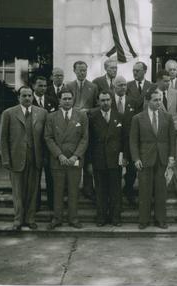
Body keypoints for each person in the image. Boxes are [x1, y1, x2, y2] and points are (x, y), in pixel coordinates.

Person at [0, 86, 47, 230]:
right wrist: (6, 159)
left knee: (33, 190)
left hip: (35, 158)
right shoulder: (8, 113)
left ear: (33, 97)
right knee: (18, 191)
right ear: (18, 97)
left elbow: (45, 137)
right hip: (16, 158)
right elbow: (3, 138)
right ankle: (18, 219)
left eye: (29, 96)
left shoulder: (42, 113)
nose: (27, 98)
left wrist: (44, 158)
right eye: (24, 96)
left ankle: (30, 218)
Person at [130, 85, 176, 229]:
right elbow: (133, 141)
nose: (158, 102)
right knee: (144, 190)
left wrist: (171, 157)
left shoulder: (167, 117)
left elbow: (172, 139)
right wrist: (136, 158)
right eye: (155, 100)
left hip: (162, 158)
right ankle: (143, 220)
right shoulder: (138, 118)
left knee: (161, 190)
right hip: (145, 158)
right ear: (148, 100)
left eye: (160, 100)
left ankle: (160, 219)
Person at [44, 89, 89, 229]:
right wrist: (60, 155)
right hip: (58, 160)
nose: (67, 101)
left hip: (75, 160)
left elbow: (85, 138)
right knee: (57, 191)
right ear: (59, 100)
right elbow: (48, 138)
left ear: (73, 100)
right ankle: (57, 218)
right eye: (64, 98)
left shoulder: (81, 116)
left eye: (69, 98)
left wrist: (76, 155)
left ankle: (73, 219)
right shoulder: (51, 117)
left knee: (73, 191)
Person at [88, 91, 126, 226]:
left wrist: (124, 159)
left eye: (108, 100)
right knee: (100, 191)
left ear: (111, 101)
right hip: (99, 160)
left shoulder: (120, 117)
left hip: (115, 160)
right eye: (102, 100)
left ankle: (116, 218)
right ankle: (101, 218)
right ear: (98, 101)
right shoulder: (92, 117)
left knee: (116, 191)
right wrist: (90, 162)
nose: (105, 103)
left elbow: (124, 140)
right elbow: (90, 142)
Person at [66, 61, 98, 199]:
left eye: (84, 70)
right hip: (71, 129)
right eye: (79, 70)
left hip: (88, 127)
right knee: (73, 156)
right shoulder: (68, 86)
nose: (82, 72)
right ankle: (72, 189)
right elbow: (63, 104)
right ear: (74, 71)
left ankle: (88, 189)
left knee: (88, 158)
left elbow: (98, 106)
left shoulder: (93, 87)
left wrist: (88, 110)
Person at [155, 68, 177, 200]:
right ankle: (160, 193)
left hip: (175, 133)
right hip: (160, 135)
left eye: (169, 81)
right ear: (158, 81)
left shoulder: (176, 93)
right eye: (164, 81)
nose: (167, 83)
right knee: (161, 163)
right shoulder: (153, 94)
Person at [111, 75, 140, 205]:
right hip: (112, 142)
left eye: (124, 85)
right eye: (120, 85)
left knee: (131, 170)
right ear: (114, 86)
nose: (123, 87)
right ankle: (115, 196)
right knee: (114, 170)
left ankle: (129, 191)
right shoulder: (107, 100)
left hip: (129, 141)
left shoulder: (133, 102)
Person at [31, 76, 57, 211]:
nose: (43, 88)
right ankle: (35, 205)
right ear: (33, 86)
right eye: (40, 85)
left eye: (45, 86)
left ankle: (52, 204)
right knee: (35, 177)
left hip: (49, 146)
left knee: (51, 176)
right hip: (34, 145)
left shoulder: (52, 101)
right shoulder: (29, 101)